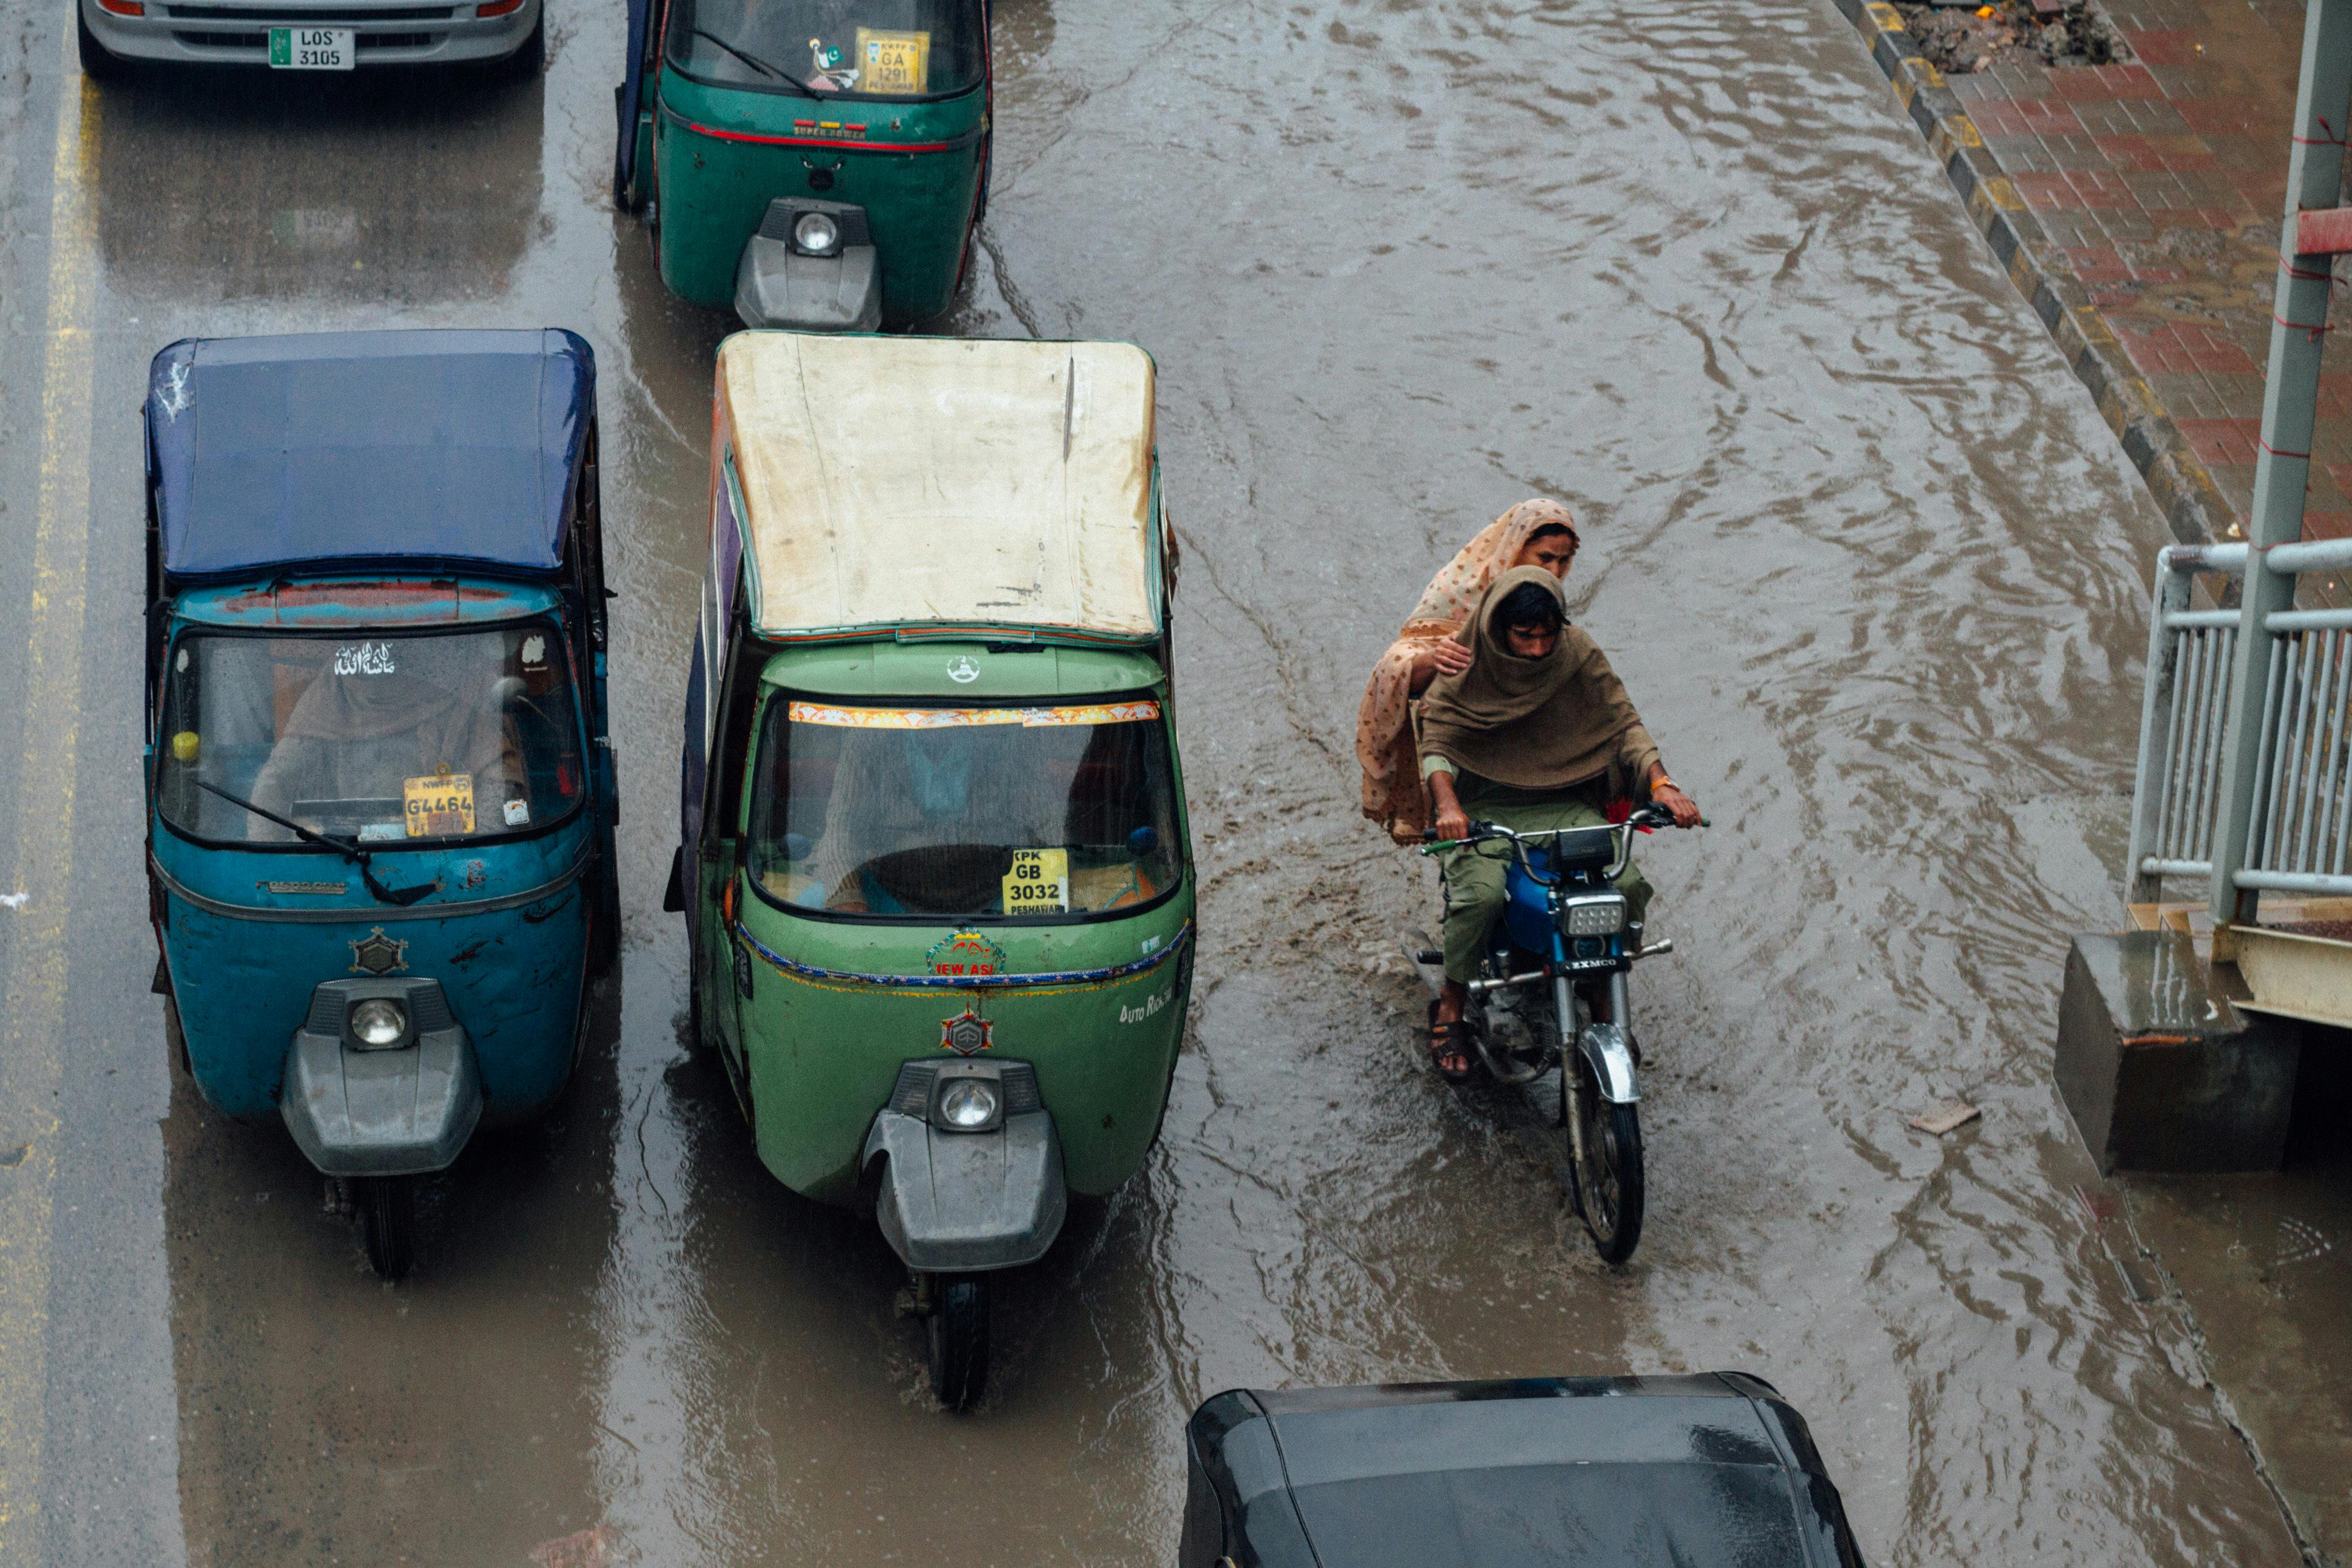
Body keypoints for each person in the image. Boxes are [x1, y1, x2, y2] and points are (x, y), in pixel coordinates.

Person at [1419, 567, 1700, 1079]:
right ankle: (1452, 1004)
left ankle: (1605, 994)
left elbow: (1623, 722)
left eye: (1548, 634)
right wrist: (1449, 807)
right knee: (1479, 896)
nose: (1537, 649)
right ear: (1498, 628)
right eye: (1525, 636)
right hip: (1485, 806)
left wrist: (1662, 783)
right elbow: (1436, 739)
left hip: (1560, 798)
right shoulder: (1466, 659)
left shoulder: (1576, 652)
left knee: (1626, 883)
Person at [1357, 498, 1582, 845]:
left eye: (1563, 560)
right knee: (1479, 888)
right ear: (1514, 549)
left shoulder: (1549, 605)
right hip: (1460, 747)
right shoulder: (1458, 594)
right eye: (1544, 558)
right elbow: (1394, 664)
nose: (1553, 571)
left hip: (1526, 750)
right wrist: (1434, 658)